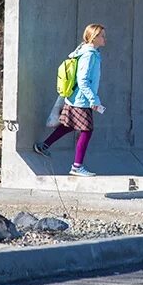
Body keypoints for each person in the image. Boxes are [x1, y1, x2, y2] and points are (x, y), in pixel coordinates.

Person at [34, 24, 106, 176]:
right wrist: (93, 99)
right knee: (87, 130)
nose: (104, 38)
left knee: (68, 125)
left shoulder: (85, 52)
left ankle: (43, 146)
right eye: (101, 36)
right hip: (82, 100)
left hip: (76, 98)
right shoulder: (89, 55)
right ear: (93, 38)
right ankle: (77, 166)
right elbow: (83, 80)